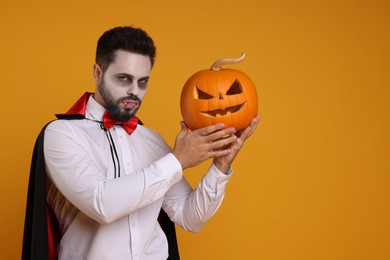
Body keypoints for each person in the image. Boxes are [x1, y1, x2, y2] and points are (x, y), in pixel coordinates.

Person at [22, 26, 260, 260]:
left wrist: (220, 166)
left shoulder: (152, 140)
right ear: (97, 72)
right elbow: (101, 204)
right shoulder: (61, 134)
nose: (134, 91)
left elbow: (191, 218)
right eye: (124, 79)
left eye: (142, 82)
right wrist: (178, 160)